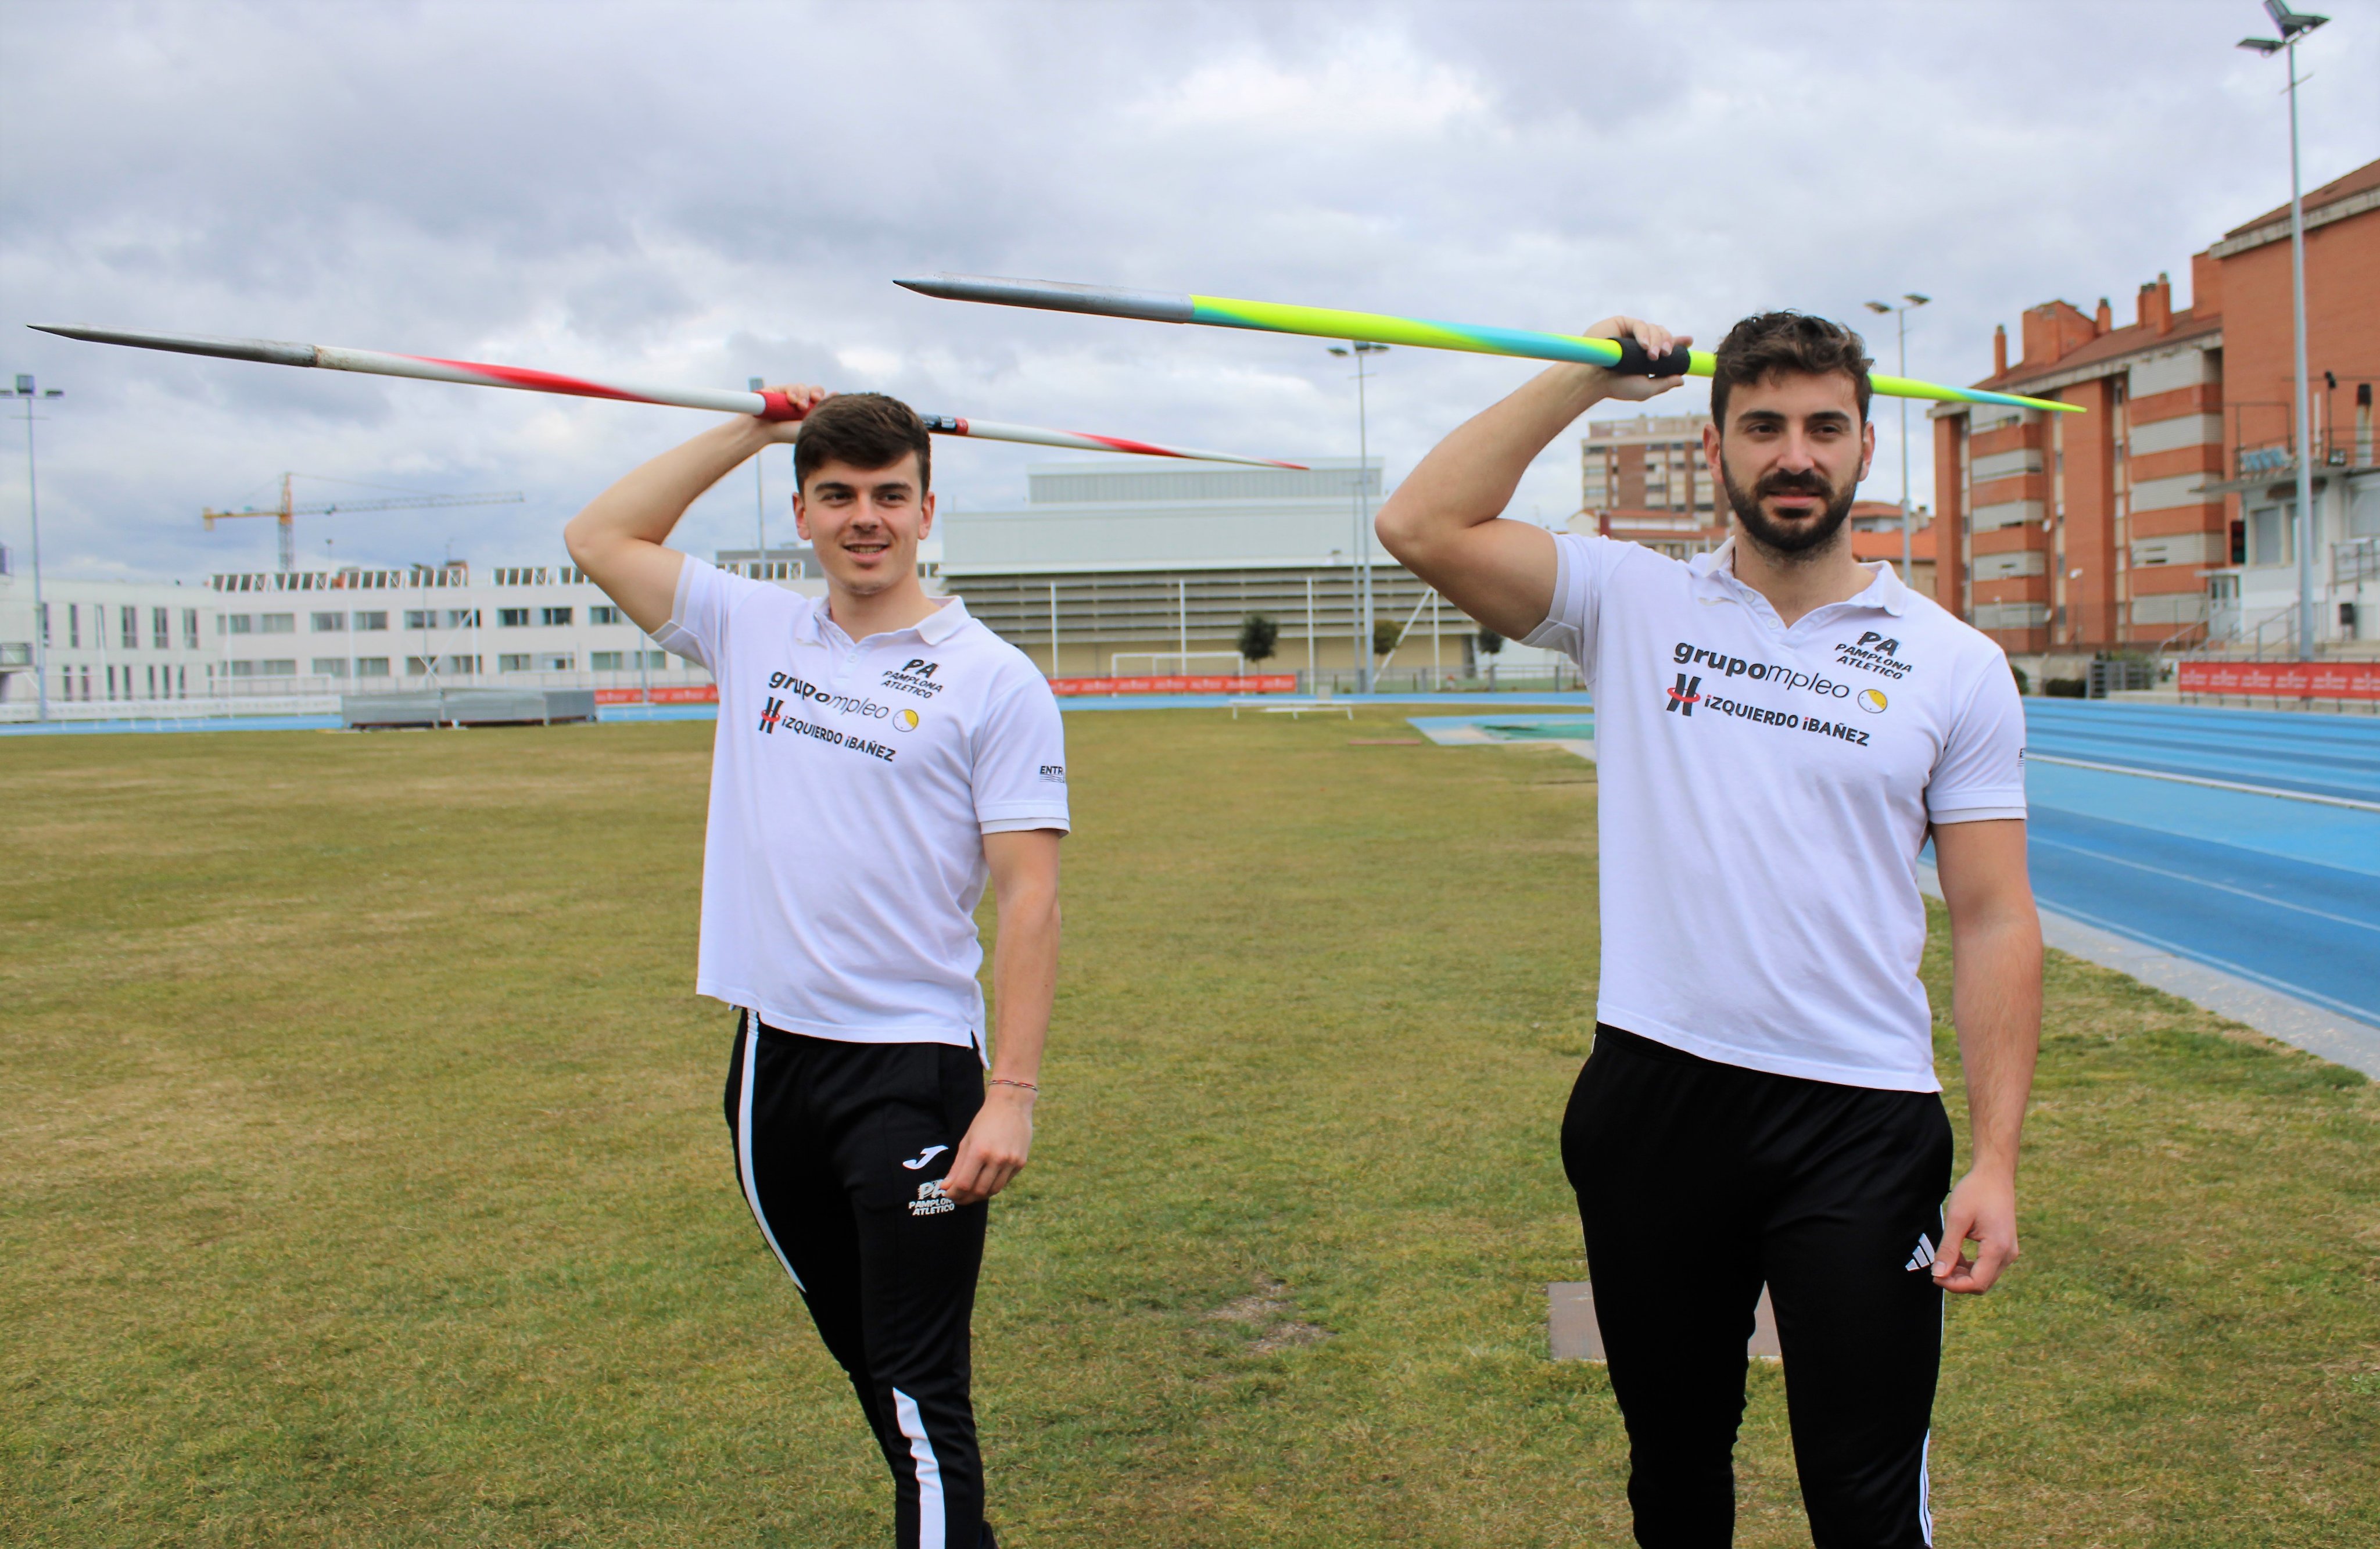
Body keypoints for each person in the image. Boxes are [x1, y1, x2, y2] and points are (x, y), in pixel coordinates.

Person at [1376, 312, 2041, 1547]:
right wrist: (1582, 378)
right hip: (1658, 1099)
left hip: (1859, 1115)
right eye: (1764, 426)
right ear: (1715, 441)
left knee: (1864, 1494)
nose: (1794, 455)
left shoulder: (1952, 662)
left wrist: (1994, 1161)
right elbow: (1420, 524)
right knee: (1673, 1478)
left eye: (1822, 428)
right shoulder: (1629, 600)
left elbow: (1995, 917)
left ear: (1863, 446)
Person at [565, 390, 1067, 1549]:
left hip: (917, 1073)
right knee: (868, 1361)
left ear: (926, 507)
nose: (864, 518)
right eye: (836, 494)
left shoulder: (992, 679)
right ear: (799, 511)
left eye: (889, 494)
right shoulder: (751, 627)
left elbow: (1029, 895)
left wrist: (1014, 1092)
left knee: (916, 1383)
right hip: (771, 1069)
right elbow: (599, 538)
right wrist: (748, 427)